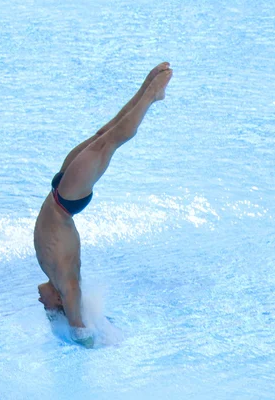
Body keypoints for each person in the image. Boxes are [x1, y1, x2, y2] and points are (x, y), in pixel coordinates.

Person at [34, 62, 173, 336]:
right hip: (66, 201)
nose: (41, 302)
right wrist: (79, 333)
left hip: (60, 192)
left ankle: (147, 87)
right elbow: (79, 325)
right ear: (60, 301)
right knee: (110, 141)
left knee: (103, 135)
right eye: (48, 307)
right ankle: (151, 96)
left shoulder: (54, 275)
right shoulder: (67, 284)